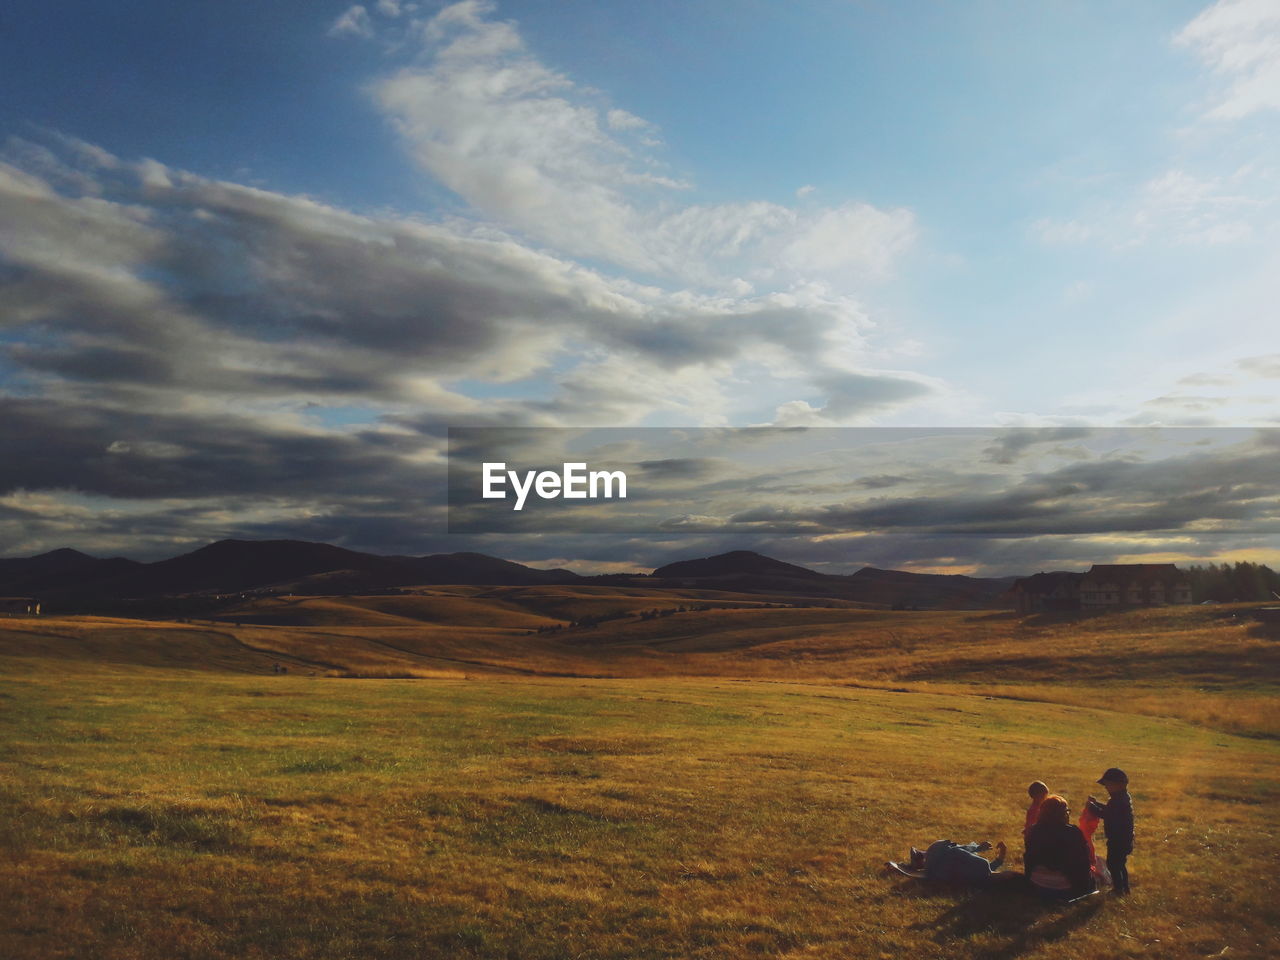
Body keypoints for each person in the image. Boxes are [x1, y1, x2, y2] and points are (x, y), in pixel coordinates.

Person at [1024, 795, 1095, 901]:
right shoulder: (1073, 832)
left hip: (1036, 884)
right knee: (1094, 878)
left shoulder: (1033, 830)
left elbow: (1029, 858)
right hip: (1065, 888)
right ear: (1063, 814)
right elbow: (1083, 862)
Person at [1087, 768, 1134, 895]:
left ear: (1118, 785)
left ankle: (1118, 889)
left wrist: (1092, 807)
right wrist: (1096, 804)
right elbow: (1109, 810)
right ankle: (1125, 888)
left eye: (1108, 785)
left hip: (1117, 840)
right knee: (1120, 864)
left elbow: (1106, 814)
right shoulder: (1121, 798)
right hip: (1124, 839)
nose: (1106, 788)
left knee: (1113, 864)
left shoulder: (1118, 801)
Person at [921, 839, 1008, 887]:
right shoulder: (983, 880)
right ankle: (921, 857)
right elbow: (990, 869)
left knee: (949, 847)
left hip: (935, 861)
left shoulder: (984, 865)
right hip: (935, 872)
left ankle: (921, 856)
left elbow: (955, 852)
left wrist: (977, 848)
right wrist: (1003, 853)